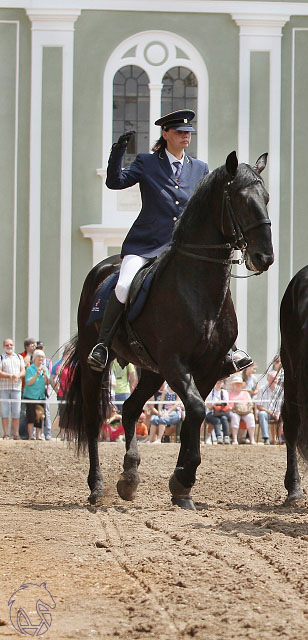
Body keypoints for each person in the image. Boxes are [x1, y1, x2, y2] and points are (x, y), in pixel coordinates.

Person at [88, 110, 252, 375]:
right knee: (124, 283)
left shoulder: (200, 168)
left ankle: (230, 349)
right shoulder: (146, 162)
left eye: (188, 133)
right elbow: (115, 182)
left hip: (182, 248)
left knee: (215, 285)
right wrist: (118, 152)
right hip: (146, 244)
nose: (186, 137)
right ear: (165, 134)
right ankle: (103, 345)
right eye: (179, 132)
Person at [22, 351, 50, 440]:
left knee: (40, 415)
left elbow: (47, 382)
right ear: (34, 358)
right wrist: (36, 374)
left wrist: (45, 375)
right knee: (31, 415)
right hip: (30, 395)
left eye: (42, 357)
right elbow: (28, 382)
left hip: (40, 396)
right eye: (39, 357)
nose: (41, 359)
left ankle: (38, 435)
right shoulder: (30, 369)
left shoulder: (45, 368)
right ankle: (31, 436)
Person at [0, 338, 25, 439]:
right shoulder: (1, 357)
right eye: (7, 345)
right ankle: (6, 434)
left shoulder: (19, 357)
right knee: (4, 412)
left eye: (11, 345)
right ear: (4, 346)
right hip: (4, 388)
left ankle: (16, 434)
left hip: (16, 388)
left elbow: (23, 371)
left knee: (16, 412)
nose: (9, 347)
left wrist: (18, 376)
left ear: (13, 345)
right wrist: (10, 376)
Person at [226, 374, 256, 445]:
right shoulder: (230, 394)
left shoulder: (246, 393)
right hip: (234, 411)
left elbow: (250, 403)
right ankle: (235, 439)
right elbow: (228, 404)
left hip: (245, 411)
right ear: (233, 385)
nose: (238, 385)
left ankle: (252, 439)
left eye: (239, 384)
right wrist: (232, 407)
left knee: (250, 417)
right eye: (236, 384)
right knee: (234, 417)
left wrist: (244, 406)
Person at [254, 370, 281, 445]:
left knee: (284, 416)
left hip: (277, 412)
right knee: (262, 414)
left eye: (275, 378)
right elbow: (259, 406)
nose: (274, 380)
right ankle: (266, 438)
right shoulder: (262, 389)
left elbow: (282, 405)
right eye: (272, 378)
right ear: (268, 379)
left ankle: (280, 439)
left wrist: (278, 413)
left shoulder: (280, 390)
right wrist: (270, 412)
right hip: (266, 412)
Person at [204, 380, 230, 445]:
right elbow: (208, 404)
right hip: (211, 412)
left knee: (224, 418)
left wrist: (215, 404)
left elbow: (226, 403)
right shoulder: (210, 392)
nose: (218, 384)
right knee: (216, 420)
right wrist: (217, 404)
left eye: (220, 383)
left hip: (221, 412)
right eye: (217, 383)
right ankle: (218, 437)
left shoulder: (224, 392)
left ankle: (226, 437)